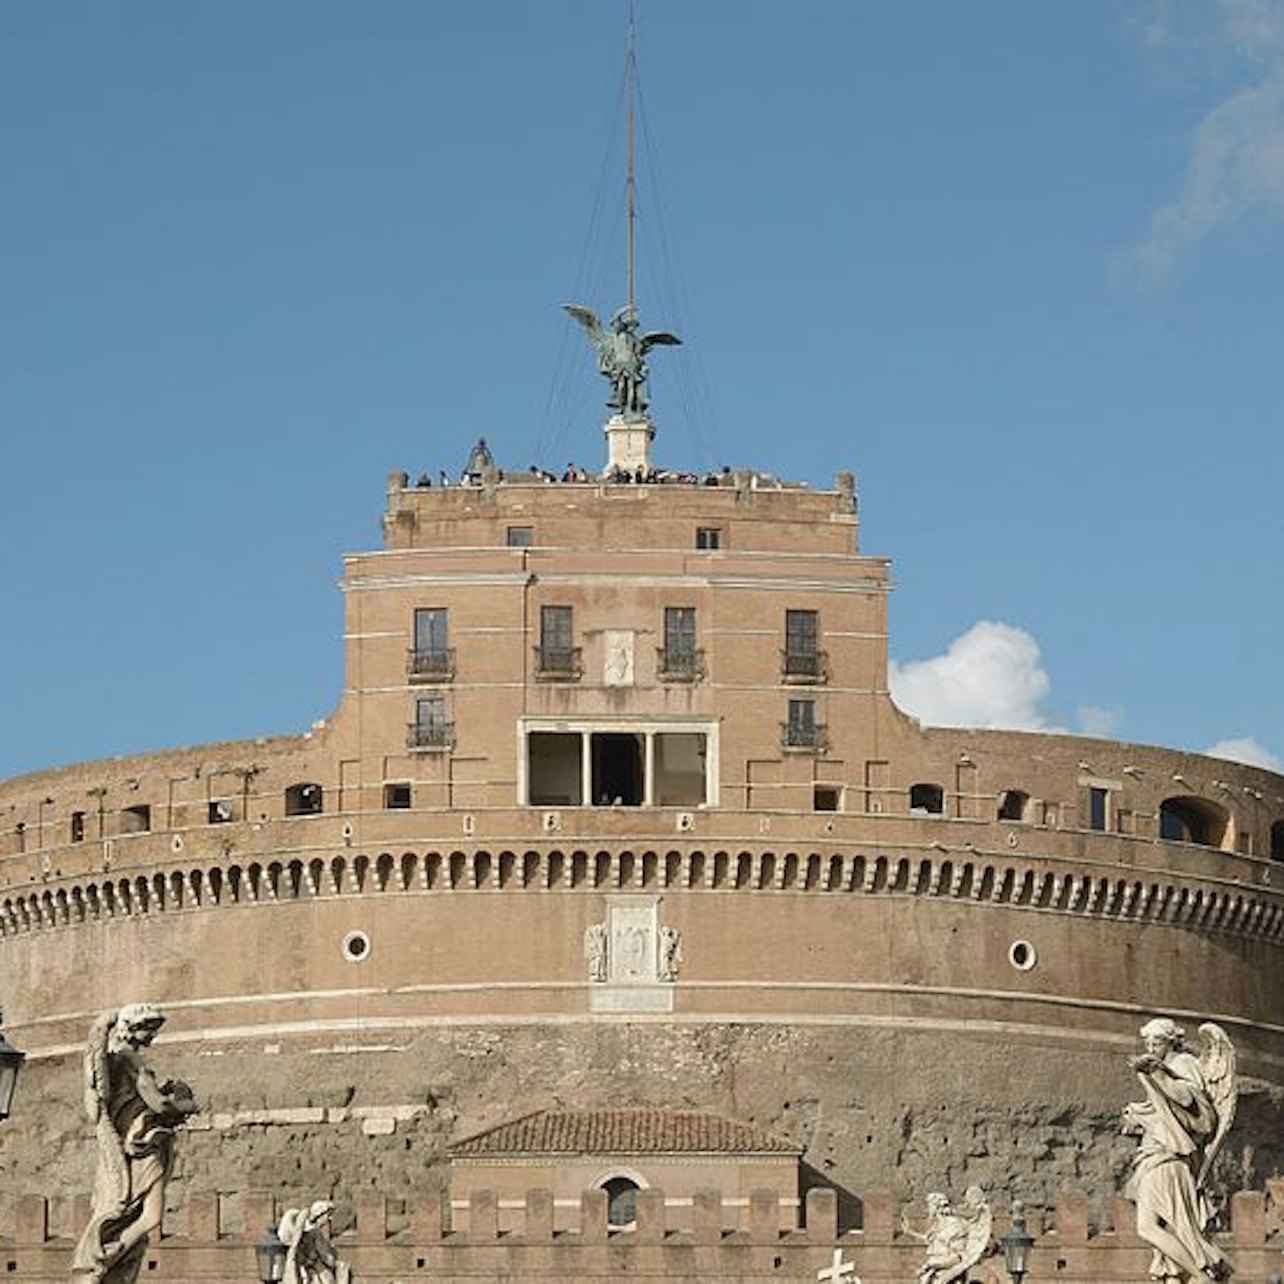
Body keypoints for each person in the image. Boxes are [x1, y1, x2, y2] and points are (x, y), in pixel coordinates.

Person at [72, 1005, 198, 1283]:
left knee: (138, 1213)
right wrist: (186, 1102)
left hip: (136, 1144)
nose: (152, 1035)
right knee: (151, 1216)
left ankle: (107, 1262)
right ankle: (102, 1260)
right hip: (142, 1145)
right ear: (133, 1027)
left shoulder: (115, 1058)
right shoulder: (131, 1060)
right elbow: (159, 1104)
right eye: (149, 1028)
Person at [1122, 1018, 1233, 1282]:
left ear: (1172, 1042)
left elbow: (1189, 1103)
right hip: (1154, 1154)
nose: (1150, 1047)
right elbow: (1164, 1112)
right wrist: (1138, 1116)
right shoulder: (1162, 1067)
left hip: (1170, 1160)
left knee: (1148, 1227)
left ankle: (1202, 1277)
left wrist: (1158, 1073)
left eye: (1157, 1042)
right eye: (1147, 1042)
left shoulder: (1184, 1063)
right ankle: (1186, 1276)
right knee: (1162, 1236)